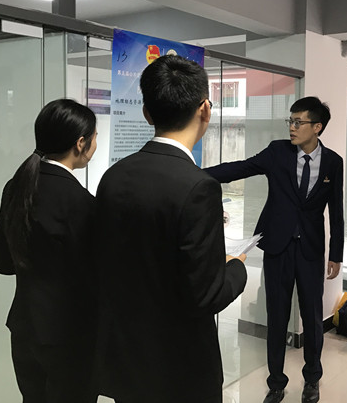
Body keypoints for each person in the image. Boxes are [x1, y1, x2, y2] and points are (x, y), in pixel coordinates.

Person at [95, 55, 247, 403]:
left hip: (126, 359)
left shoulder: (113, 176)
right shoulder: (199, 186)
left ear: (147, 114)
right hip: (179, 367)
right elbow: (207, 295)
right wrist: (236, 268)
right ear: (205, 110)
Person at [205, 96, 344, 403]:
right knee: (277, 316)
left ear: (317, 127)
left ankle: (312, 379)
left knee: (312, 317)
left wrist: (336, 254)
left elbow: (336, 211)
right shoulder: (277, 152)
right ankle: (276, 383)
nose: (292, 127)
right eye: (290, 121)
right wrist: (196, 173)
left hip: (310, 250)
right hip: (278, 247)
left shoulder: (333, 162)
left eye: (299, 122)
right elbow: (240, 168)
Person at [0, 99, 98, 402]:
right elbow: (94, 278)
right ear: (80, 143)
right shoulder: (82, 203)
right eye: (94, 138)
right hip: (69, 335)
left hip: (25, 327)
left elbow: (3, 263)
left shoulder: (16, 187)